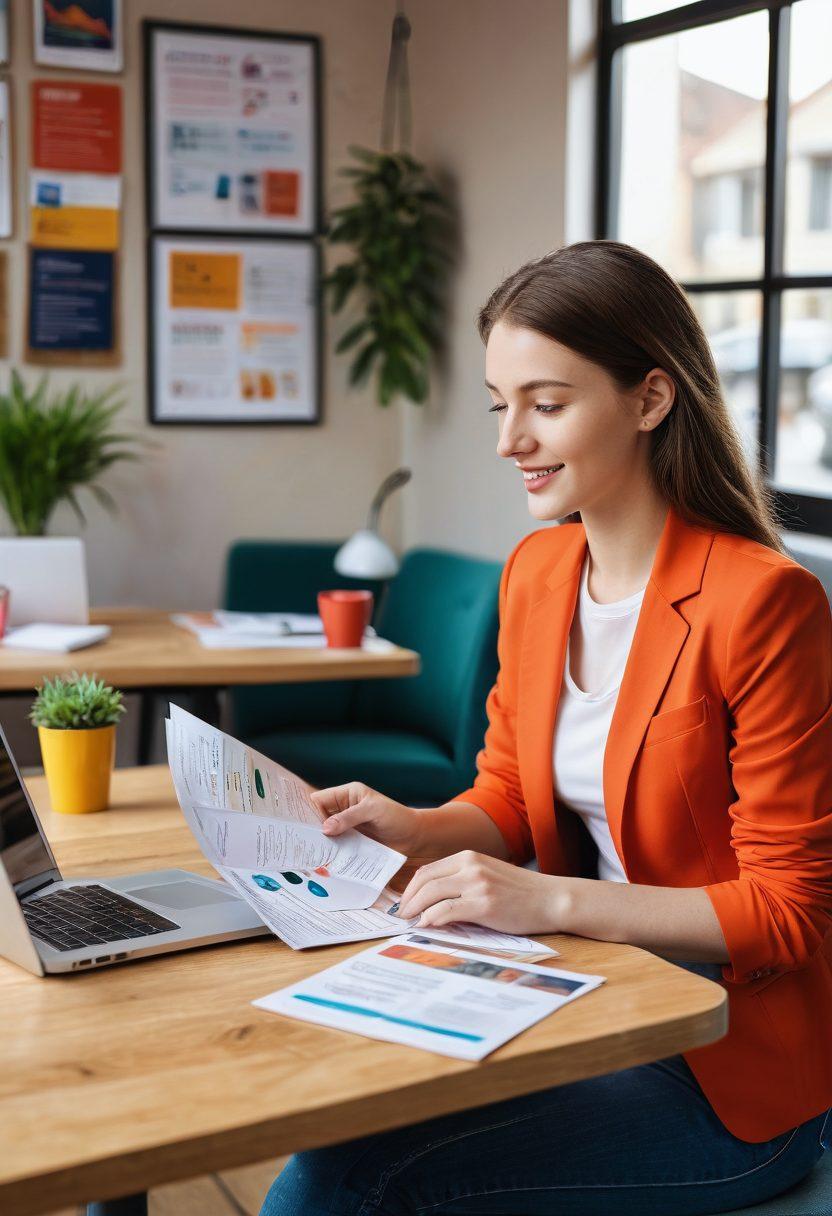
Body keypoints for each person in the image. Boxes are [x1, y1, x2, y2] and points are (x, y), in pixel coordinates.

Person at [260, 240, 832, 1216]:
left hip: (723, 1065)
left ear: (650, 399)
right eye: (499, 403)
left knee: (344, 1185)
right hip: (573, 991)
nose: (507, 439)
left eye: (546, 403)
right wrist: (414, 823)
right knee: (329, 1115)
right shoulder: (536, 573)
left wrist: (548, 900)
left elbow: (786, 912)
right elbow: (511, 791)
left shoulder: (765, 602)